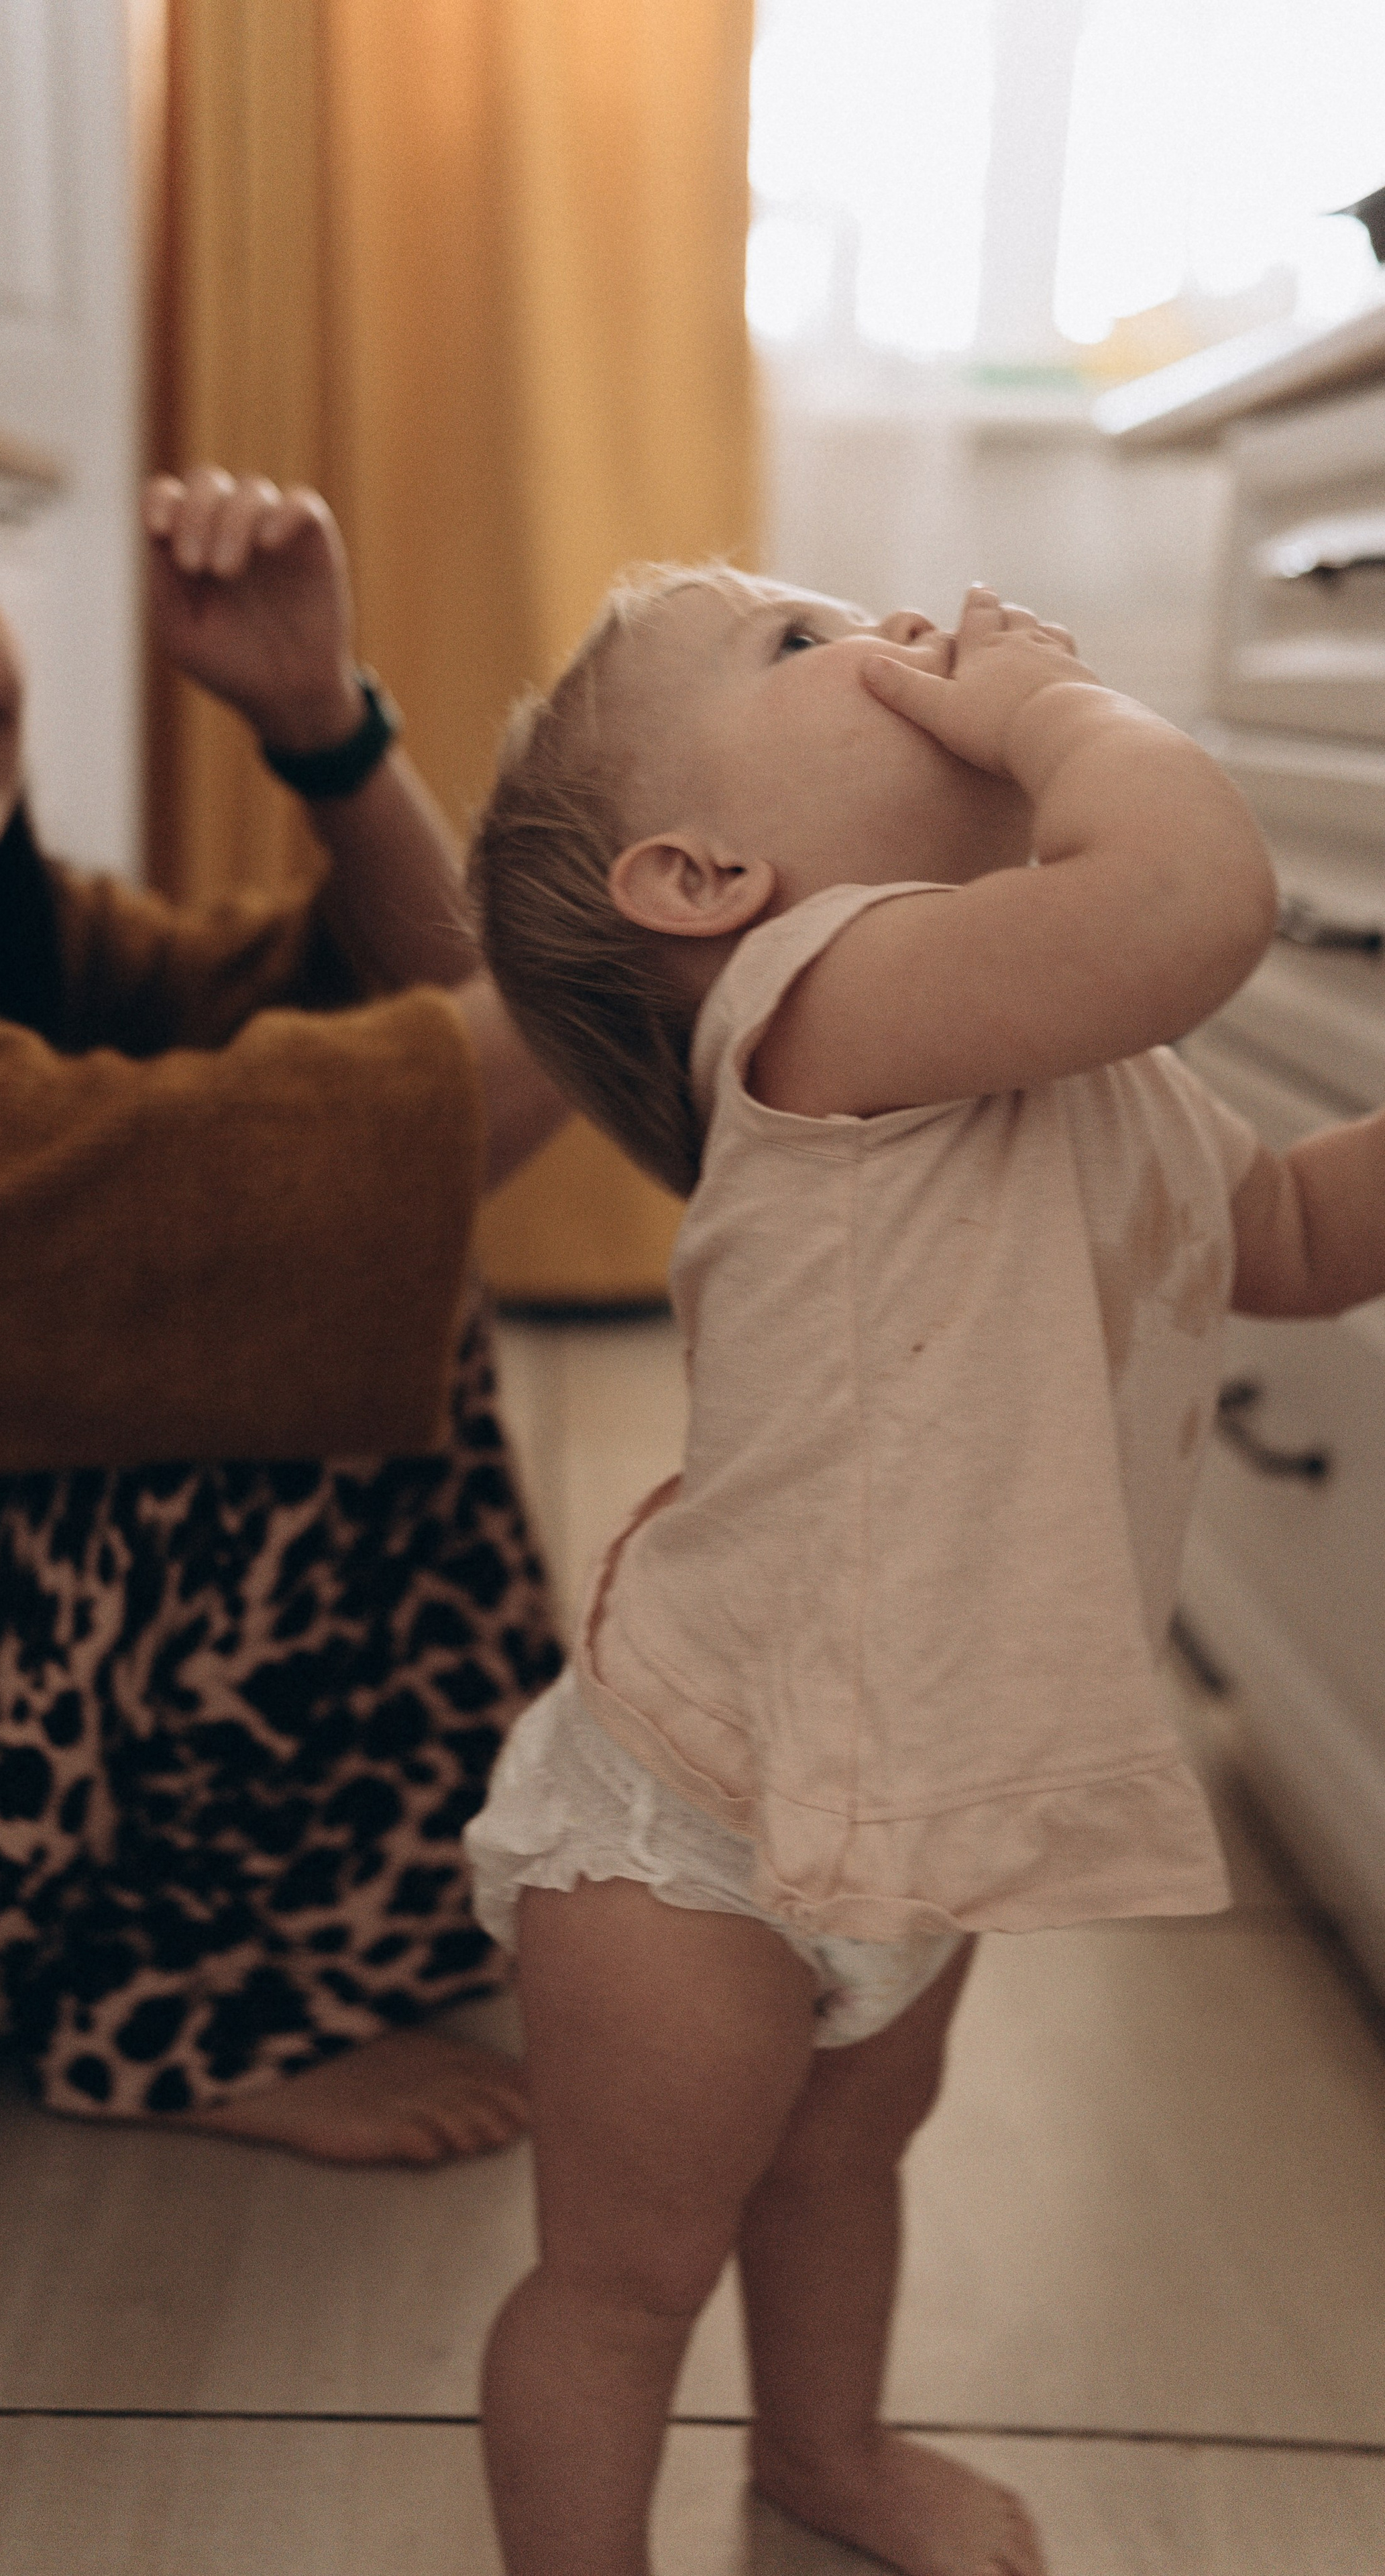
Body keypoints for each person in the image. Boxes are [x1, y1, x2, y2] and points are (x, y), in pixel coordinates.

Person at [462, 566, 1385, 2576]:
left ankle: (823, 2452)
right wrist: (1057, 716)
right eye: (808, 644)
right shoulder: (825, 998)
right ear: (709, 882)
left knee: (848, 2161)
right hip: (693, 1820)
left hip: (922, 1777)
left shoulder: (1081, 1060)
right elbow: (1187, 901)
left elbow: (1294, 1242)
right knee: (627, 2271)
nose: (912, 629)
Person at [0, 353, 571, 2167]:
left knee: (330, 1255)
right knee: (289, 1281)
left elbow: (421, 990)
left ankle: (261, 1941)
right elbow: (334, 1163)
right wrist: (730, 923)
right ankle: (194, 2018)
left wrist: (325, 724)